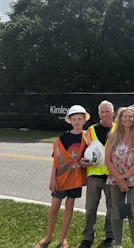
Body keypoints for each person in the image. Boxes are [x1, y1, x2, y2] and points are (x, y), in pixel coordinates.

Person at [35, 105, 90, 248]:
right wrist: (52, 178)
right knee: (54, 207)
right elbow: (56, 161)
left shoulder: (88, 138)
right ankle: (49, 235)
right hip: (61, 179)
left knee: (69, 207)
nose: (77, 122)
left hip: (76, 180)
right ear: (70, 121)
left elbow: (90, 157)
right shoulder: (64, 138)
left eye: (80, 119)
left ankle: (62, 238)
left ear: (84, 120)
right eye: (74, 119)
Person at [105, 107, 134, 248]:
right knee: (117, 212)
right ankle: (118, 243)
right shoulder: (113, 135)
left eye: (130, 117)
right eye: (125, 117)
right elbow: (107, 160)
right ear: (120, 119)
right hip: (115, 179)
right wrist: (120, 179)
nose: (127, 119)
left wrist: (126, 178)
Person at [79, 100, 116, 248]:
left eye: (108, 111)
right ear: (98, 113)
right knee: (90, 209)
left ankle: (110, 236)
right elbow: (83, 154)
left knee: (112, 209)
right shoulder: (90, 131)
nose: (105, 114)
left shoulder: (119, 130)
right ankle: (88, 237)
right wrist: (82, 162)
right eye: (102, 111)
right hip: (94, 176)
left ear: (113, 113)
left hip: (112, 177)